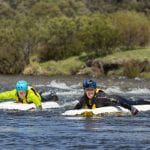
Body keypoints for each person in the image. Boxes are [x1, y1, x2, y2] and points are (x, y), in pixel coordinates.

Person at [74, 79, 150, 115]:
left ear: (95, 89)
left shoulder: (101, 98)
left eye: (92, 90)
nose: (90, 92)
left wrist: (131, 108)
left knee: (134, 102)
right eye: (88, 90)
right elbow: (76, 108)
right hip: (111, 100)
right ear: (84, 90)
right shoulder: (83, 99)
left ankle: (146, 101)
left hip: (116, 99)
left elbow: (118, 102)